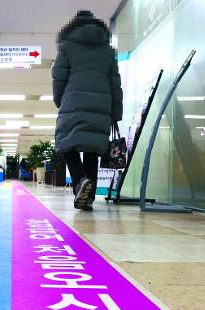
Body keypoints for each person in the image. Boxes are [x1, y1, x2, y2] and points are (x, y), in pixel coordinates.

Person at [52, 10, 123, 211]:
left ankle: (80, 182)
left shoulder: (67, 47)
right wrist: (115, 113)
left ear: (73, 26)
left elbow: (59, 78)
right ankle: (89, 197)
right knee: (92, 150)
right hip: (102, 106)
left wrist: (60, 101)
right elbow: (115, 85)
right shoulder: (108, 51)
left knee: (67, 146)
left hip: (72, 103)